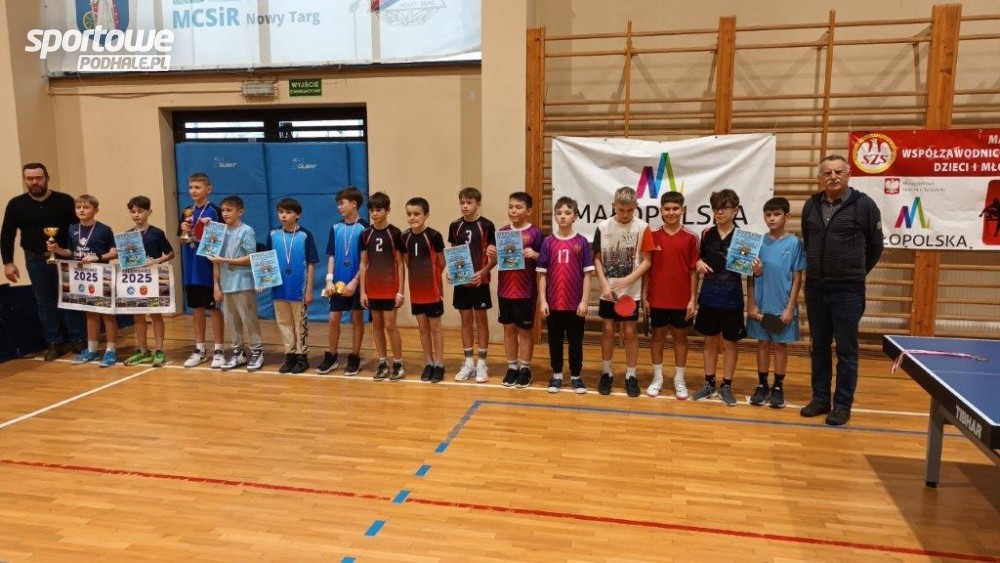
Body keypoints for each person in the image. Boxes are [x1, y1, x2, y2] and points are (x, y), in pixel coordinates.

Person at [800, 155, 884, 426]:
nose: (833, 176)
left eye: (838, 172)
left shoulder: (864, 205)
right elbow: (809, 240)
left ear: (848, 175)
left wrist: (854, 273)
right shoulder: (811, 205)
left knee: (846, 350)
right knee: (819, 347)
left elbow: (875, 246)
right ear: (820, 178)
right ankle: (820, 398)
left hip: (848, 290)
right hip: (815, 288)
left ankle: (843, 404)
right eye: (827, 173)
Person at [1, 162, 85, 360]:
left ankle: (78, 338)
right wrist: (8, 262)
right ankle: (53, 342)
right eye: (29, 179)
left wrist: (77, 254)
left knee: (70, 298)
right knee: (44, 302)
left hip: (65, 258)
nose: (34, 182)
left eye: (38, 178)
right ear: (25, 180)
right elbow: (7, 234)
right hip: (35, 259)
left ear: (47, 178)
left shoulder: (64, 201)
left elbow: (77, 230)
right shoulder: (16, 204)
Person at [692, 189, 756, 406]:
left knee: (730, 344)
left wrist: (756, 271)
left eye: (724, 208)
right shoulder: (706, 234)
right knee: (709, 341)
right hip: (709, 296)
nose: (719, 212)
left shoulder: (743, 238)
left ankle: (726, 385)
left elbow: (748, 273)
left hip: (732, 298)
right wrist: (698, 263)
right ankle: (709, 384)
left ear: (735, 210)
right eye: (716, 208)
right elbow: (699, 259)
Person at [592, 186, 653, 398]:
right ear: (613, 206)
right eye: (621, 210)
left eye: (629, 210)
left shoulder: (643, 228)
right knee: (608, 330)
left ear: (636, 206)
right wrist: (604, 284)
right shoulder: (603, 227)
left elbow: (647, 261)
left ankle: (631, 375)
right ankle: (606, 373)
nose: (625, 214)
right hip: (608, 292)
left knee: (630, 332)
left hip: (631, 292)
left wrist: (628, 279)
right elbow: (597, 259)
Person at [745, 197, 805, 409]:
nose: (772, 218)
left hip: (782, 306)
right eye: (768, 214)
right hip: (761, 306)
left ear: (787, 216)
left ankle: (778, 386)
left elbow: (797, 278)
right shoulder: (757, 242)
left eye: (777, 214)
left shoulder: (795, 243)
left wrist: (790, 308)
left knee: (780, 346)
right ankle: (762, 384)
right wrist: (751, 304)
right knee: (762, 344)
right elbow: (750, 277)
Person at [47, 194, 119, 367]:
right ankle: (92, 349)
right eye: (78, 207)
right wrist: (57, 249)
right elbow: (71, 253)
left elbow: (114, 252)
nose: (81, 210)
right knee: (90, 312)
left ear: (95, 210)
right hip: (82, 276)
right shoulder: (72, 228)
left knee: (107, 313)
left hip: (101, 274)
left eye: (86, 207)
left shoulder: (104, 229)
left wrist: (97, 257)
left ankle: (111, 350)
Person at [641, 191, 699, 399]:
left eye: (675, 208)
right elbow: (647, 268)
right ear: (661, 211)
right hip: (657, 298)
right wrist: (644, 296)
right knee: (657, 337)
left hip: (681, 300)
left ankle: (679, 379)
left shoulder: (691, 237)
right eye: (667, 209)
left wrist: (692, 299)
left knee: (680, 338)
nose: (671, 212)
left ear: (683, 210)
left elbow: (693, 270)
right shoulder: (652, 235)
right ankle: (657, 378)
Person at [537, 197, 593, 394]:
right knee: (555, 341)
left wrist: (584, 301)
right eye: (559, 213)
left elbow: (587, 275)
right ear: (554, 216)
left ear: (575, 216)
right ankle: (557, 375)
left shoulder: (582, 242)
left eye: (567, 213)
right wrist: (543, 301)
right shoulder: (548, 242)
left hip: (575, 305)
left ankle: (576, 376)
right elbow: (542, 275)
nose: (563, 216)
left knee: (576, 342)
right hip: (553, 304)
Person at [448, 187, 497, 383]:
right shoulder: (455, 226)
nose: (465, 206)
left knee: (481, 321)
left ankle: (482, 363)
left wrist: (483, 272)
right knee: (466, 321)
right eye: (462, 202)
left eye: (469, 202)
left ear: (478, 204)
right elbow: (454, 252)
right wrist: (452, 272)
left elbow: (494, 256)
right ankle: (468, 362)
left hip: (480, 282)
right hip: (462, 283)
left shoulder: (487, 225)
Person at [209, 195, 263, 371]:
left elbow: (251, 258)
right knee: (231, 322)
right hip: (226, 285)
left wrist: (225, 260)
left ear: (240, 212)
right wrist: (216, 285)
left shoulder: (247, 231)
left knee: (249, 320)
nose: (225, 213)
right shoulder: (218, 232)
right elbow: (215, 260)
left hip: (243, 283)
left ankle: (257, 351)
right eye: (223, 210)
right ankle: (238, 352)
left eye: (229, 210)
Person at [318, 186, 367, 376]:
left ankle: (354, 356)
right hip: (338, 282)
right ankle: (332, 356)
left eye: (342, 203)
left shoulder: (364, 229)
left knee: (357, 318)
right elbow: (331, 256)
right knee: (333, 318)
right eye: (338, 204)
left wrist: (355, 282)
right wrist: (329, 280)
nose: (339, 207)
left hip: (357, 282)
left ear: (354, 204)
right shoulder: (335, 228)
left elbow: (366, 261)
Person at [498, 192, 545, 389]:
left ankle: (525, 367)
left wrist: (535, 254)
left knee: (524, 331)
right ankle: (512, 366)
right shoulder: (502, 232)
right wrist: (492, 252)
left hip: (525, 291)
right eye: (511, 207)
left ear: (528, 211)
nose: (513, 210)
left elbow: (546, 260)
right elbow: (498, 259)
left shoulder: (536, 233)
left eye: (518, 207)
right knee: (508, 329)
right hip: (504, 290)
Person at [267, 198, 319, 374]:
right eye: (281, 211)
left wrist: (309, 289)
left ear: (298, 215)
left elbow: (311, 263)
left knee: (299, 323)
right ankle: (289, 355)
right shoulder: (273, 234)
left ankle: (302, 356)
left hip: (299, 288)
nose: (283, 215)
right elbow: (267, 261)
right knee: (284, 323)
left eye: (288, 212)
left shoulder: (305, 235)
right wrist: (263, 281)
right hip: (279, 287)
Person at [178, 172, 225, 369]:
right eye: (191, 187)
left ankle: (219, 349)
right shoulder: (187, 212)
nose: (193, 191)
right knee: (196, 309)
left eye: (197, 187)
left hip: (208, 268)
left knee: (214, 309)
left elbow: (223, 239)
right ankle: (200, 349)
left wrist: (209, 229)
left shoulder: (215, 211)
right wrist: (184, 232)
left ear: (208, 189)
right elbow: (181, 240)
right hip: (191, 269)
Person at [122, 196, 175, 368]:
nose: (136, 215)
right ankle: (143, 350)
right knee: (138, 315)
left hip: (153, 278)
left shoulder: (156, 233)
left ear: (149, 212)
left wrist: (156, 261)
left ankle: (159, 350)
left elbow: (171, 253)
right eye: (133, 212)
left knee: (155, 314)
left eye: (140, 211)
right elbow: (126, 259)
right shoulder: (128, 235)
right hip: (136, 280)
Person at [359, 192, 406, 381]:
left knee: (390, 325)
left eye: (378, 209)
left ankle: (398, 363)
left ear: (387, 210)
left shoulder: (395, 233)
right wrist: (363, 291)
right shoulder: (366, 234)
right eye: (371, 210)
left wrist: (400, 291)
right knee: (376, 326)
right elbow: (363, 263)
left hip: (390, 288)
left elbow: (400, 264)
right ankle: (383, 363)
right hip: (373, 289)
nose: (374, 213)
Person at [401, 197, 446, 384]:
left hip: (433, 290)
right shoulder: (404, 237)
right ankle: (428, 362)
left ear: (426, 215)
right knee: (423, 328)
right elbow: (407, 261)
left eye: (416, 214)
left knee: (435, 328)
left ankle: (439, 364)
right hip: (416, 291)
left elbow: (442, 261)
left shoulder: (434, 236)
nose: (412, 217)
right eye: (409, 214)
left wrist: (432, 279)